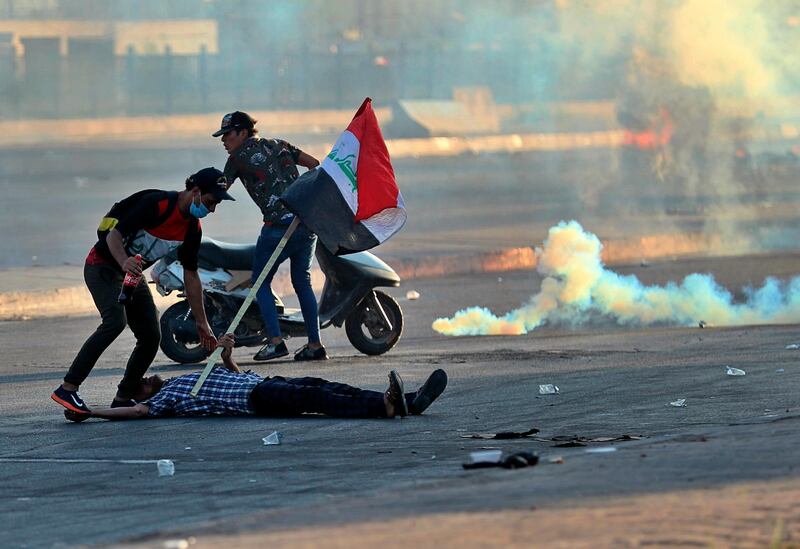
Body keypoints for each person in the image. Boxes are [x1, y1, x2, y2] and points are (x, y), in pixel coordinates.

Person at [51, 167, 235, 415]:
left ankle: (123, 397)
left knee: (150, 335)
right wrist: (124, 260)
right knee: (115, 322)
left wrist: (202, 323)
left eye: (216, 205)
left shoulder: (192, 228)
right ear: (195, 191)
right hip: (102, 267)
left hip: (131, 277)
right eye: (211, 201)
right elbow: (113, 236)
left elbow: (191, 276)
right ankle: (68, 388)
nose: (212, 209)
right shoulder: (156, 204)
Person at [63, 334, 448, 422]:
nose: (148, 378)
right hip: (254, 400)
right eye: (142, 382)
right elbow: (135, 413)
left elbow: (231, 374)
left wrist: (228, 357)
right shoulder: (167, 400)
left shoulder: (183, 378)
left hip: (254, 383)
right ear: (140, 394)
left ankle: (404, 400)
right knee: (316, 400)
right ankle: (383, 407)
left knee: (322, 386)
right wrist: (93, 412)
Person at [212, 111, 326, 362]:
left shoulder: (237, 158)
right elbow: (314, 164)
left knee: (260, 283)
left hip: (277, 229)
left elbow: (220, 190)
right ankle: (315, 345)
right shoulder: (280, 145)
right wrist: (302, 196)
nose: (223, 140)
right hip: (305, 224)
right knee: (302, 281)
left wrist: (196, 201)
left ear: (243, 132)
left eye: (227, 134)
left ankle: (275, 342)